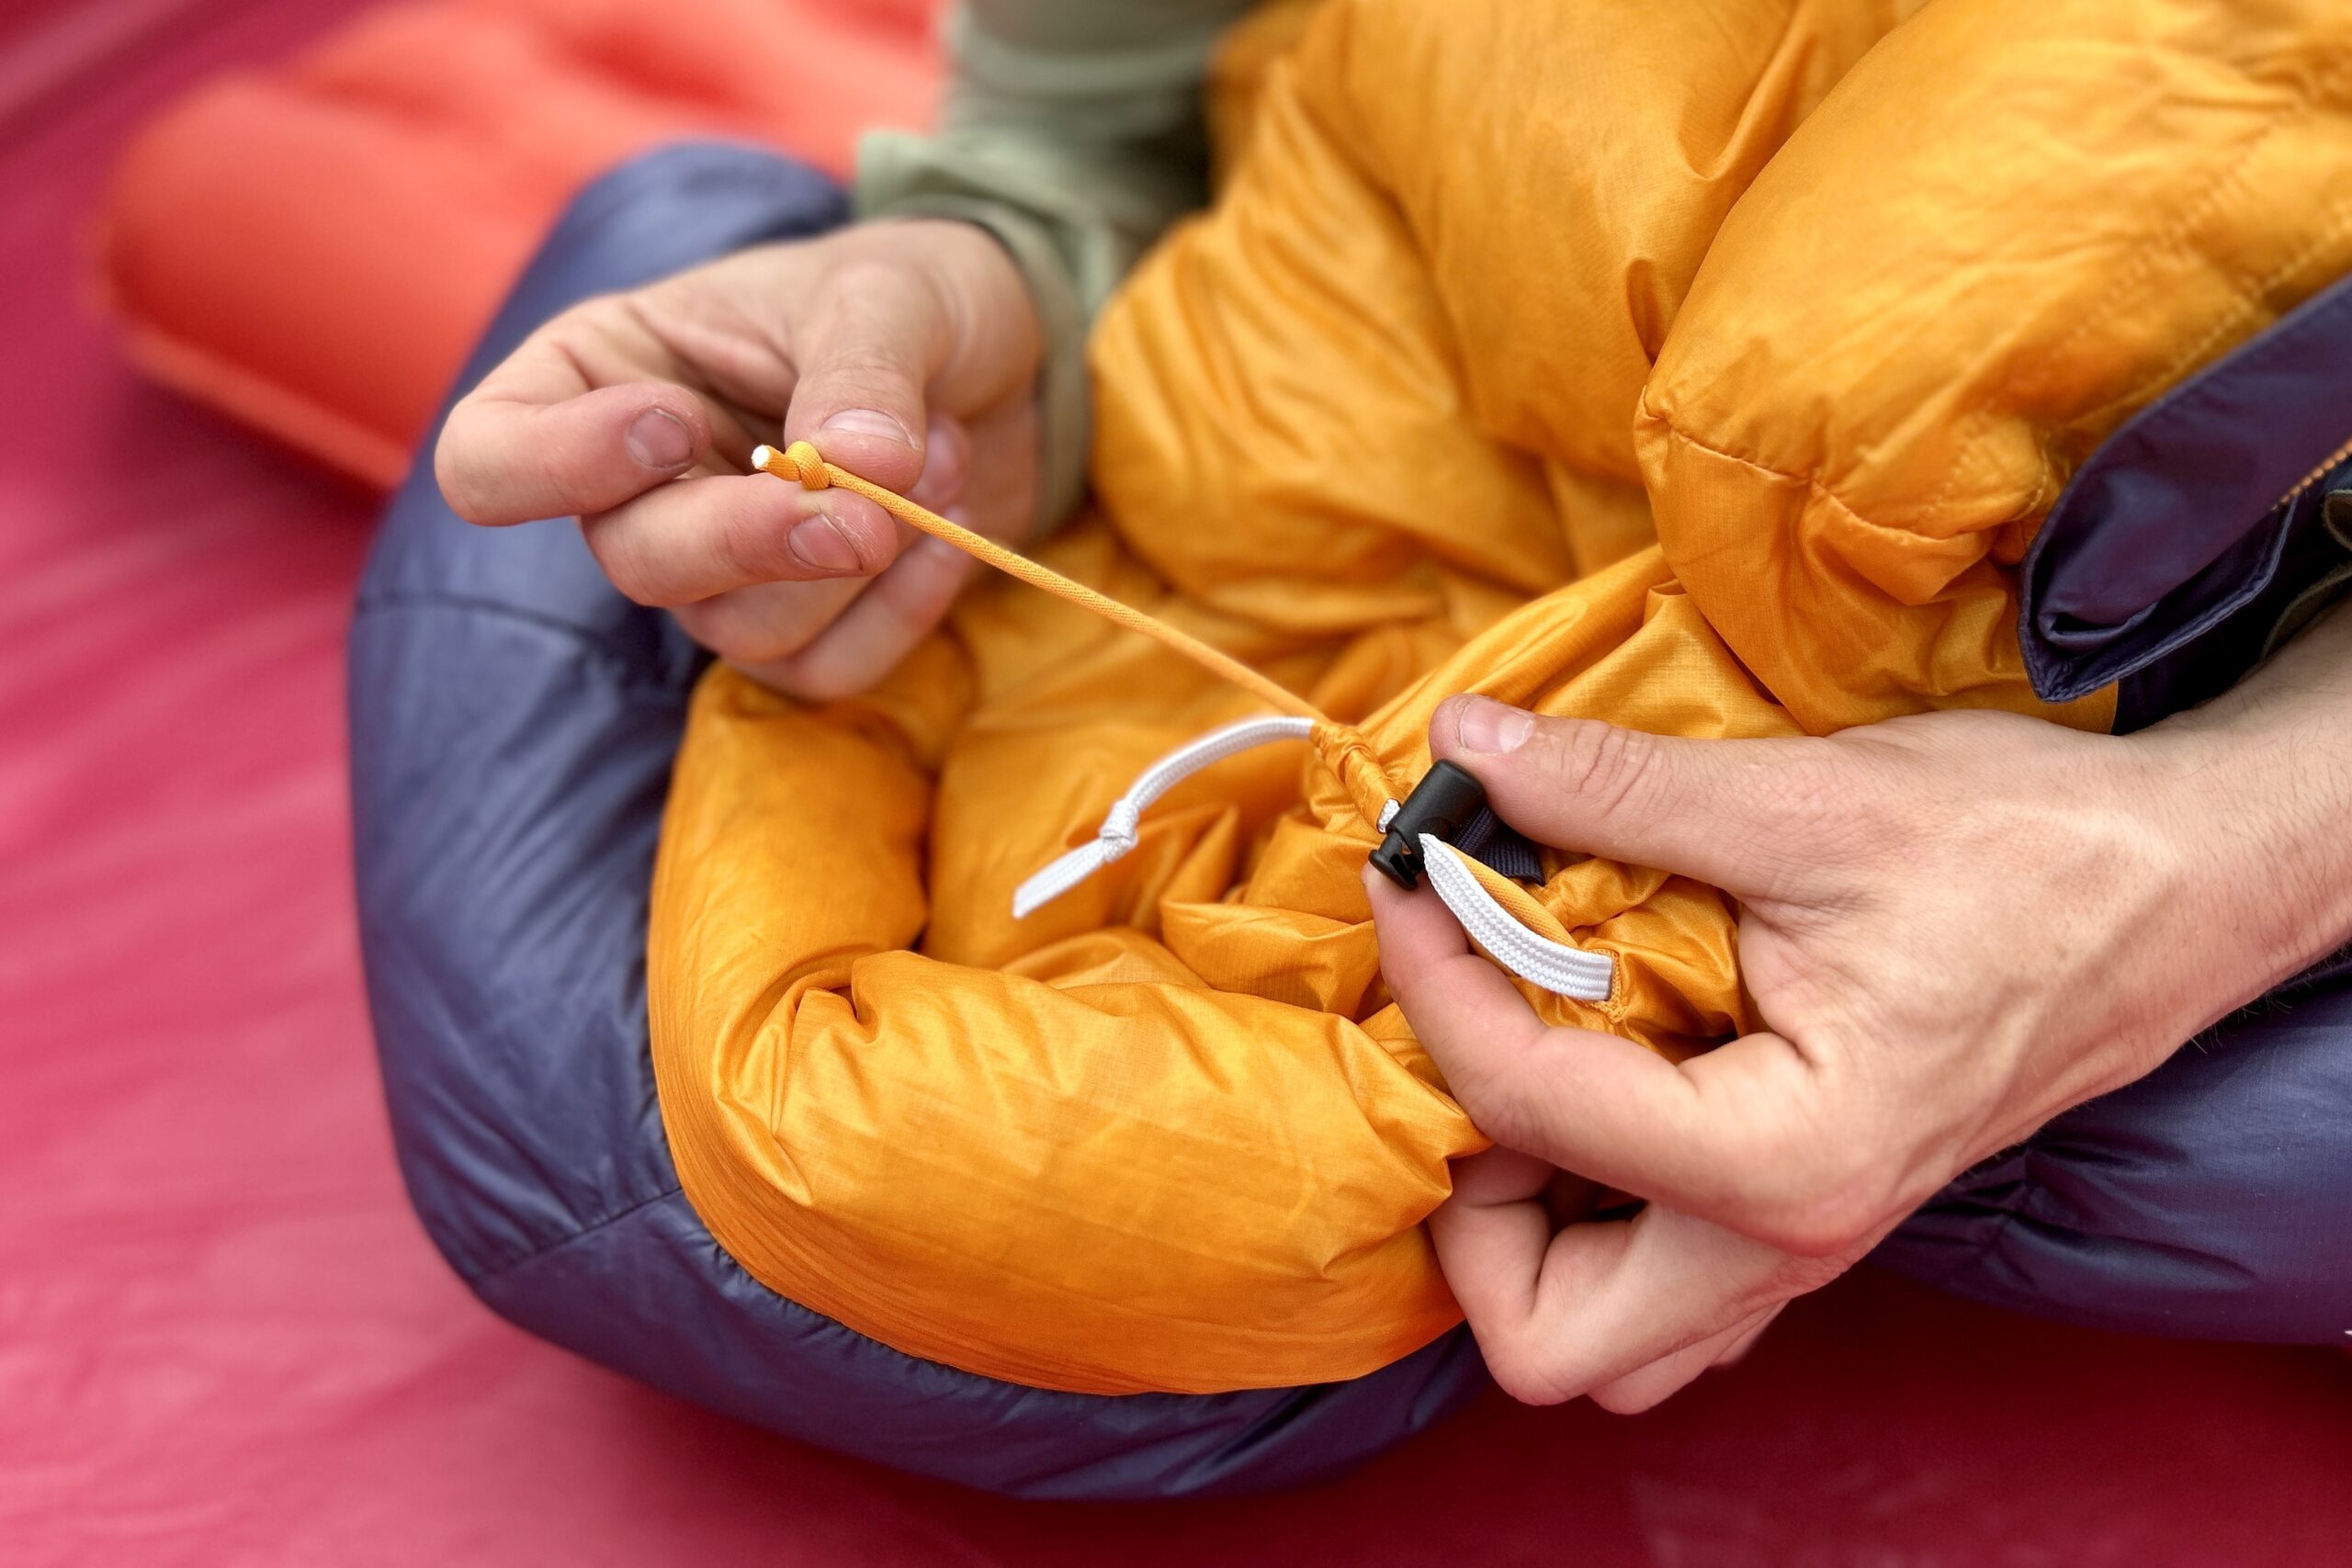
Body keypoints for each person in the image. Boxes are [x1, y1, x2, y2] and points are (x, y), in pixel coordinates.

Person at [434, 0, 2352, 1409]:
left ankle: (1821, 1102)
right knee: (665, 279)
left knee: (2240, 1149)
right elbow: (1115, 128)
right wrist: (1006, 301)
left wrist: (2217, 849)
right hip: (1350, 355)